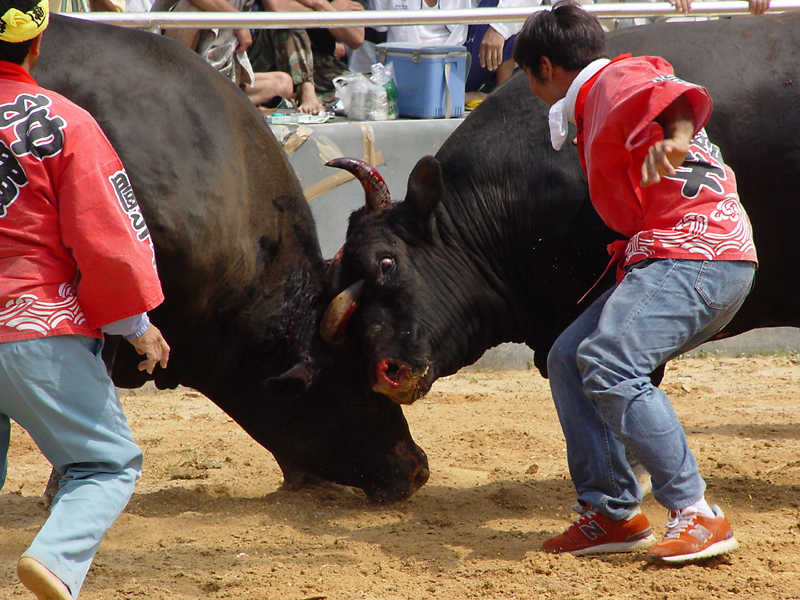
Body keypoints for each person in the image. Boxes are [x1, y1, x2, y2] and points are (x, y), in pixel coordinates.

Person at [513, 1, 757, 564]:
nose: (528, 88)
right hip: (687, 254)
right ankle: (612, 512)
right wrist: (657, 170)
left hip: (695, 254)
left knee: (608, 361)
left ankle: (696, 511)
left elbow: (677, 105)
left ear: (545, 67)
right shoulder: (601, 97)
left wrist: (665, 154)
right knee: (569, 355)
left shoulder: (611, 80)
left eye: (526, 76)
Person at [0, 0, 171, 597]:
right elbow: (104, 239)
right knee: (106, 464)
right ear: (38, 44)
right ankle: (55, 558)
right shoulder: (64, 121)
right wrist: (136, 324)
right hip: (34, 326)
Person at [151, 0, 295, 108]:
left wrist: (316, 4)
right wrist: (237, 20)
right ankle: (173, 98)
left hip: (214, 79)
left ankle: (212, 106)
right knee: (191, 8)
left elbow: (281, 8)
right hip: (168, 68)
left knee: (283, 84)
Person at [249, 0, 364, 109]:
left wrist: (322, 5)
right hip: (271, 57)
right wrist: (330, 13)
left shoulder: (322, 5)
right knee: (287, 21)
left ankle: (304, 96)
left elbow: (356, 38)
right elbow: (278, 8)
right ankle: (305, 90)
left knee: (360, 91)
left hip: (318, 61)